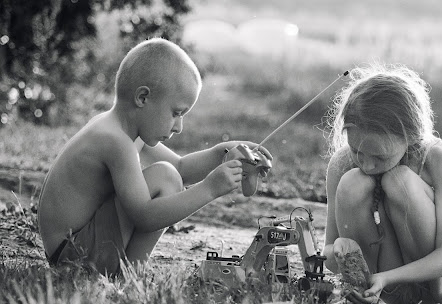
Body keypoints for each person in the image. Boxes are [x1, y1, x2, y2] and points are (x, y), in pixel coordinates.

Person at [38, 38, 271, 276]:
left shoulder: (119, 128)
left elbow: (181, 167)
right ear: (143, 98)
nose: (179, 126)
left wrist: (223, 152)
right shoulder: (115, 141)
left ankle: (125, 274)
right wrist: (209, 189)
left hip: (72, 248)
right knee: (165, 177)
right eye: (176, 113)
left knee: (169, 174)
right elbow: (145, 216)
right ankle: (128, 277)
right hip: (74, 257)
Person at [322, 64, 442, 304]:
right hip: (381, 281)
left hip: (438, 272)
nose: (367, 164)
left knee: (399, 181)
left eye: (379, 156)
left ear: (411, 136)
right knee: (353, 182)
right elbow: (328, 255)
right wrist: (340, 252)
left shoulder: (438, 158)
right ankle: (366, 293)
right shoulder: (341, 163)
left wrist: (387, 277)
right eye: (357, 151)